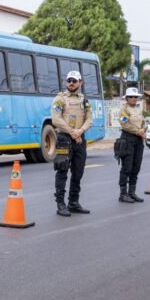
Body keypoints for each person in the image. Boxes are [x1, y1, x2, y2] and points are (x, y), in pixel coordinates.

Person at [51, 70, 92, 216]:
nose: (71, 83)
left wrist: (80, 131)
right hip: (64, 139)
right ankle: (61, 204)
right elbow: (56, 119)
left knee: (78, 172)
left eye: (74, 81)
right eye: (69, 80)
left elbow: (89, 119)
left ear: (80, 83)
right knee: (62, 171)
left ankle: (73, 202)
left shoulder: (84, 100)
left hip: (80, 139)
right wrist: (72, 132)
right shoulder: (60, 99)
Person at [118, 87, 147, 203]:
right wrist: (137, 131)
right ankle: (123, 194)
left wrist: (144, 129)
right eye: (131, 97)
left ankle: (132, 192)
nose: (134, 99)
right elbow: (124, 124)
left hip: (139, 140)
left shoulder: (139, 110)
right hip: (127, 139)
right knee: (127, 167)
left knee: (136, 167)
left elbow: (143, 122)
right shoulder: (124, 110)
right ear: (126, 98)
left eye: (136, 97)